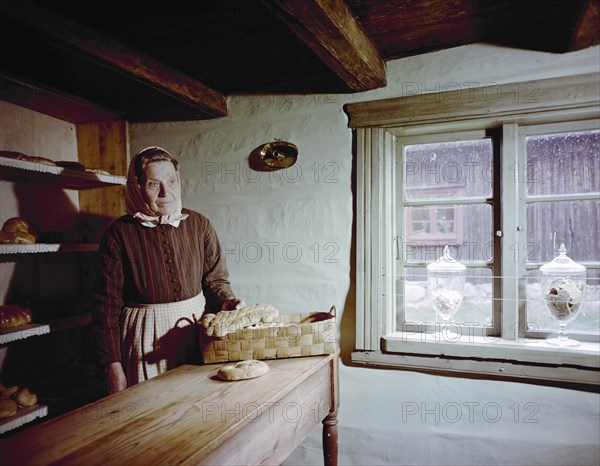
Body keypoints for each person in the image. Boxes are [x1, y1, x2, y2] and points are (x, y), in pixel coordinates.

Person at [92, 146, 244, 394]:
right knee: (151, 418)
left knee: (199, 407)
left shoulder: (199, 224)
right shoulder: (118, 235)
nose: (166, 192)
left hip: (196, 330)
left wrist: (227, 303)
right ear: (137, 187)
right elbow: (105, 308)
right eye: (154, 184)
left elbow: (215, 281)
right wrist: (112, 367)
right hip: (144, 337)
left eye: (171, 181)